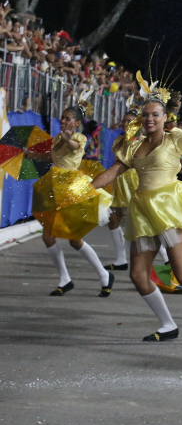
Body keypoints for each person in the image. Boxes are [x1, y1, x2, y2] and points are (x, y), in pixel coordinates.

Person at [90, 78, 182, 342]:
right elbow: (114, 171)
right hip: (143, 212)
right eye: (145, 115)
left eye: (155, 115)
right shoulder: (133, 146)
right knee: (138, 275)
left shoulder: (176, 139)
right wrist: (86, 188)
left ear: (165, 116)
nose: (149, 119)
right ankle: (168, 324)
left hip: (169, 208)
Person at [27, 102, 114, 297]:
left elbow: (74, 148)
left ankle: (104, 275)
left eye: (68, 119)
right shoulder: (58, 137)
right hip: (53, 187)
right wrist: (32, 155)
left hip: (72, 190)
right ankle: (65, 279)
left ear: (76, 123)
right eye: (62, 117)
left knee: (75, 240)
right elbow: (53, 158)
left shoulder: (79, 138)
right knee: (48, 236)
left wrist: (68, 139)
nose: (63, 121)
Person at [105, 109, 142, 271]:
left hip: (133, 181)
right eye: (124, 121)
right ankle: (121, 259)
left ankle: (168, 261)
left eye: (129, 121)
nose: (125, 124)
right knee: (113, 218)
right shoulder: (120, 139)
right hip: (119, 181)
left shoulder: (141, 140)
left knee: (141, 224)